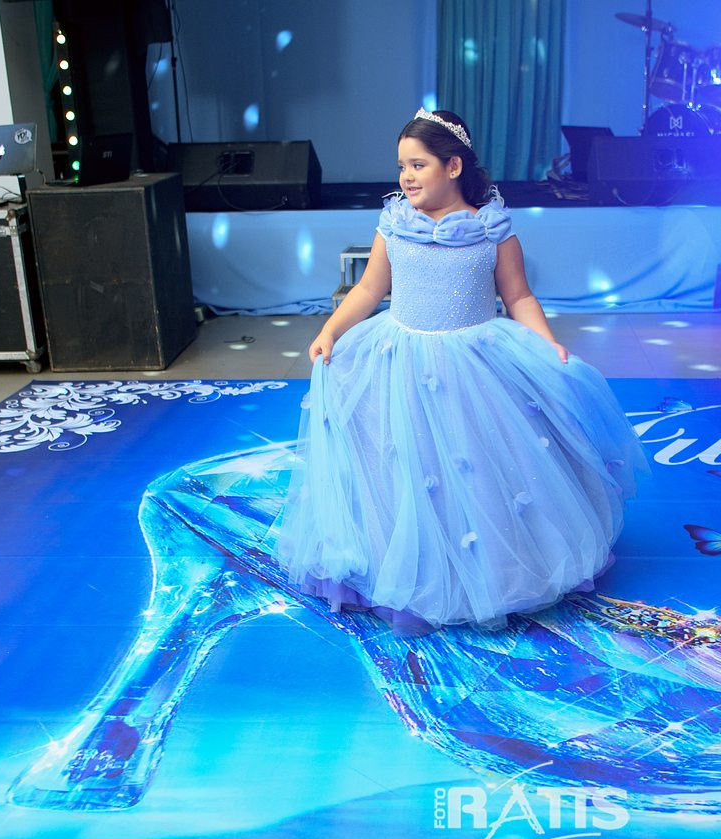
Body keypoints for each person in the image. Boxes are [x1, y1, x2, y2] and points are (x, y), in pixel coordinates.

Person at [272, 109, 647, 634]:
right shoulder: (394, 227)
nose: (406, 177)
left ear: (453, 166)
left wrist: (546, 343)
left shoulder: (493, 231)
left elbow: (519, 297)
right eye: (402, 166)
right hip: (400, 358)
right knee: (404, 465)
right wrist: (331, 330)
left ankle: (489, 569)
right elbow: (369, 289)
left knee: (477, 465)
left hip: (474, 361)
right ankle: (401, 568)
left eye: (418, 164)